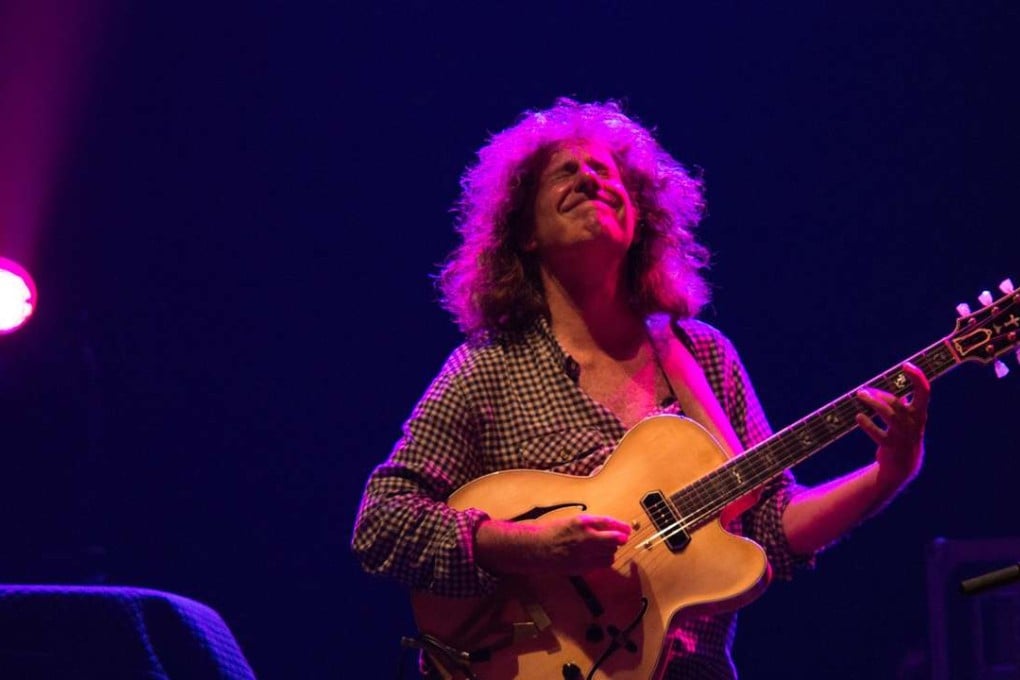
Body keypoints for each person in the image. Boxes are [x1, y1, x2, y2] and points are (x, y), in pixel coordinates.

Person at [351, 98, 930, 679]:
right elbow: (382, 524)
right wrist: (527, 546)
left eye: (607, 172)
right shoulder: (486, 369)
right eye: (564, 172)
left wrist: (889, 472)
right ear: (525, 233)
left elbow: (769, 531)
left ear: (638, 223)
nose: (589, 176)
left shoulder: (702, 355)